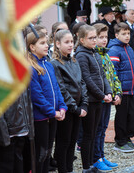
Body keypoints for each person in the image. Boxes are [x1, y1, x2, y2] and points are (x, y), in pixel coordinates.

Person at [26, 30, 67, 173]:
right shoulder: (31, 68)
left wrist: (62, 107)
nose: (46, 46)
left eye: (47, 43)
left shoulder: (48, 65)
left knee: (48, 151)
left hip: (53, 115)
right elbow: (37, 96)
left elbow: (56, 89)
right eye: (42, 43)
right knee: (40, 153)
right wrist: (52, 112)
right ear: (32, 47)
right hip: (41, 118)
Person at [74, 25, 112, 173]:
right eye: (91, 38)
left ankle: (92, 163)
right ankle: (86, 166)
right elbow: (87, 79)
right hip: (90, 100)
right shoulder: (82, 55)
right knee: (88, 135)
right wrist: (102, 95)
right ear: (82, 39)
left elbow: (102, 75)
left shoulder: (95, 53)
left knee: (95, 132)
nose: (94, 40)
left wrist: (108, 92)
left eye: (95, 37)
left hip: (98, 100)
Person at [50, 30, 88, 173]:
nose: (70, 45)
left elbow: (82, 82)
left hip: (77, 107)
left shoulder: (74, 60)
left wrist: (84, 103)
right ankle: (63, 169)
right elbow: (61, 88)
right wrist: (74, 107)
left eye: (72, 41)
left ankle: (69, 169)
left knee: (72, 141)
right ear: (57, 44)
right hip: (66, 109)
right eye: (67, 42)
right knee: (63, 142)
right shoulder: (55, 64)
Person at [107, 22, 134, 152]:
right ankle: (120, 141)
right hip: (122, 91)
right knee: (122, 116)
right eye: (123, 34)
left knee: (132, 115)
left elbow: (133, 69)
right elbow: (113, 73)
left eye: (128, 33)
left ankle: (127, 138)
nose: (127, 36)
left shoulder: (129, 48)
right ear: (116, 35)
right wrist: (117, 92)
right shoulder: (114, 50)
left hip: (132, 89)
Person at [92, 23, 122, 172]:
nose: (104, 40)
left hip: (108, 97)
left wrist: (117, 93)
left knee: (103, 129)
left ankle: (102, 156)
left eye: (106, 37)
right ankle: (96, 158)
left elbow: (113, 76)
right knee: (97, 130)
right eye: (100, 37)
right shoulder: (95, 55)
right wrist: (104, 95)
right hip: (100, 99)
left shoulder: (106, 54)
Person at [0, 92, 32, 173]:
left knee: (18, 167)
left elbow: (27, 102)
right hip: (7, 133)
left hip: (21, 131)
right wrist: (3, 136)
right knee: (4, 166)